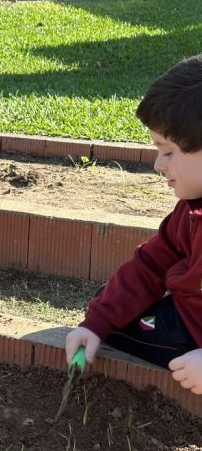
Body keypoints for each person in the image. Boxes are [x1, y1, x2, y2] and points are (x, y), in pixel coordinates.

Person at [65, 55, 202, 395]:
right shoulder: (188, 212)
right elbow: (151, 263)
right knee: (109, 305)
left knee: (119, 319)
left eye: (168, 152)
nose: (158, 164)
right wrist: (96, 323)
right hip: (184, 316)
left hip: (188, 337)